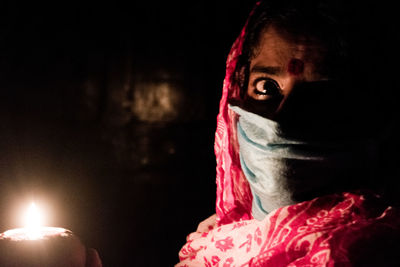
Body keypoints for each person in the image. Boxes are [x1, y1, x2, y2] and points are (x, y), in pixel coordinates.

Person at [176, 0, 400, 266]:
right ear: (238, 86)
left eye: (318, 97)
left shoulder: (366, 250)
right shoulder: (218, 242)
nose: (281, 120)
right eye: (266, 87)